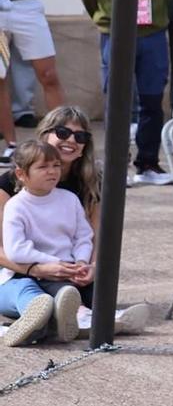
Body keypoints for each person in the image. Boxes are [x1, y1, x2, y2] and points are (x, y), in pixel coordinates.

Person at [75, 0, 173, 184]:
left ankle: (147, 163)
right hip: (116, 31)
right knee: (117, 98)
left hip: (152, 32)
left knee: (153, 98)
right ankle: (116, 165)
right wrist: (105, 13)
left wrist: (156, 13)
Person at [0, 143, 99, 345]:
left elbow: (83, 236)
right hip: (22, 274)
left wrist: (81, 262)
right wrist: (53, 263)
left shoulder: (69, 199)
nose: (52, 171)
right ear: (21, 174)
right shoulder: (16, 206)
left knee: (79, 291)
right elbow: (16, 249)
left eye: (56, 165)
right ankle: (39, 312)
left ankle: (66, 317)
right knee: (28, 291)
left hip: (64, 273)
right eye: (43, 167)